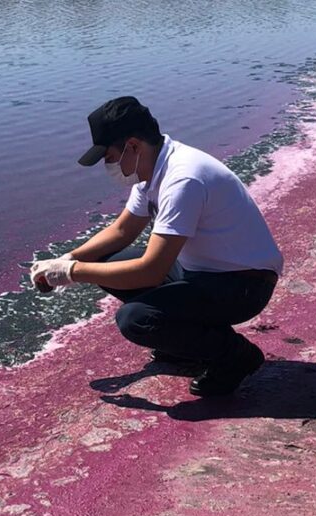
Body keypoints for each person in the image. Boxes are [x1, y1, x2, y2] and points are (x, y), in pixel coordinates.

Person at [30, 96, 283, 396]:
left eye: (109, 157)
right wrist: (66, 258)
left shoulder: (183, 178)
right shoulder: (150, 171)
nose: (109, 166)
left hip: (244, 284)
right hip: (201, 268)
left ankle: (236, 356)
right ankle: (186, 345)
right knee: (108, 260)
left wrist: (73, 272)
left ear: (133, 146)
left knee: (136, 320)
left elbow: (151, 272)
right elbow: (123, 230)